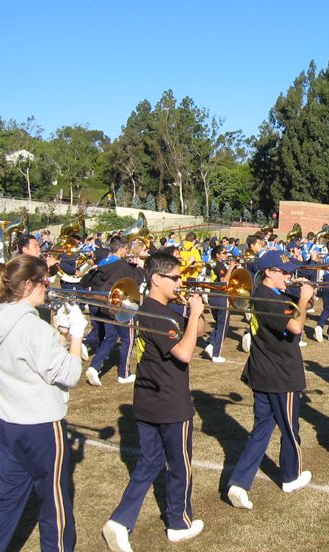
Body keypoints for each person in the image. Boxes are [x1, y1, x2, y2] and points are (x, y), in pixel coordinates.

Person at [0, 254, 86, 552]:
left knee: (7, 497)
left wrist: (59, 332)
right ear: (30, 284)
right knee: (54, 502)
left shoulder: (1, 320)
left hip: (9, 424)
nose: (48, 287)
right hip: (41, 428)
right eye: (45, 281)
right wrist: (76, 336)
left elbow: (37, 362)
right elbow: (69, 374)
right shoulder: (34, 329)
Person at [102, 253, 205, 551]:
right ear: (157, 279)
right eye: (175, 277)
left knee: (148, 463)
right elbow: (185, 353)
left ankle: (120, 522)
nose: (181, 282)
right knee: (180, 466)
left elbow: (198, 332)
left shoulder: (159, 310)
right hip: (170, 402)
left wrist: (195, 312)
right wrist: (191, 316)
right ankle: (179, 523)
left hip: (147, 400)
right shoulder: (159, 315)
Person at [226, 250, 315, 510]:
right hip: (280, 374)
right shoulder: (268, 299)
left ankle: (239, 483)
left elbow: (299, 308)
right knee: (290, 428)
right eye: (284, 272)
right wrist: (305, 299)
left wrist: (304, 298)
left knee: (261, 429)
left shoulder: (273, 294)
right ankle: (291, 476)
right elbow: (296, 327)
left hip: (263, 371)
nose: (289, 276)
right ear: (268, 273)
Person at [85, 236, 145, 386]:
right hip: (122, 305)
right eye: (125, 249)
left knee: (110, 337)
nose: (127, 252)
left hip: (107, 304)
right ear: (120, 249)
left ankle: (94, 367)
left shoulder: (103, 264)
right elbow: (135, 280)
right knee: (128, 338)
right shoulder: (121, 266)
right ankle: (124, 374)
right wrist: (140, 267)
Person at [203, 245, 237, 362]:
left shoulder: (214, 264)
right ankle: (216, 354)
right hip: (221, 297)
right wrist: (231, 268)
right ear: (217, 254)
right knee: (223, 326)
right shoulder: (219, 265)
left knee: (220, 324)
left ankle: (211, 344)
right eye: (224, 253)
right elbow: (223, 281)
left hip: (213, 296)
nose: (226, 255)